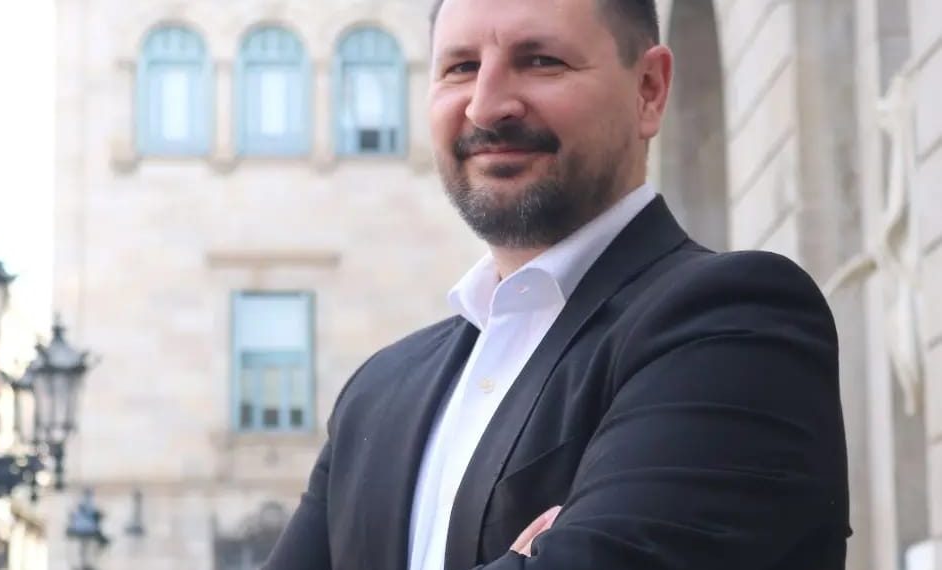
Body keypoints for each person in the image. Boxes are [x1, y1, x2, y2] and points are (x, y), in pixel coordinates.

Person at [265, 0, 851, 567]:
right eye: (461, 67)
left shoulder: (735, 325)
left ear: (649, 89)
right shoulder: (378, 394)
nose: (486, 107)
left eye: (540, 61)